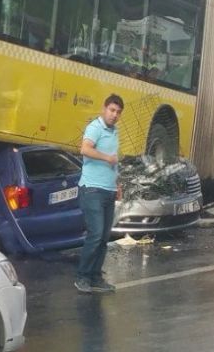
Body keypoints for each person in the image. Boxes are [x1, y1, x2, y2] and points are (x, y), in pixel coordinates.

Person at [75, 94, 123, 294]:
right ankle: (82, 277)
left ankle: (95, 276)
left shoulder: (114, 132)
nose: (114, 115)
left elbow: (114, 160)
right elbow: (84, 149)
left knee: (104, 236)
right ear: (104, 109)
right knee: (95, 234)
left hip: (108, 190)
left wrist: (118, 183)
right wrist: (106, 158)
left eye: (118, 112)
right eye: (111, 110)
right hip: (92, 189)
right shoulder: (95, 127)